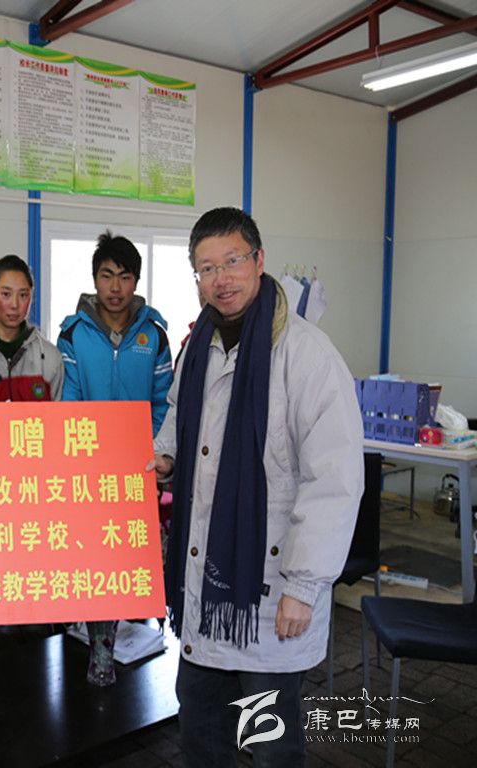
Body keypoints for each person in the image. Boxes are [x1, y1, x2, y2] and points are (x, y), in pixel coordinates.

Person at [148, 207, 363, 766]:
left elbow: (335, 480)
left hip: (270, 594)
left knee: (270, 747)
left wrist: (304, 586)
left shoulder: (307, 355)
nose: (221, 278)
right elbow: (179, 416)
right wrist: (166, 457)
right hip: (206, 587)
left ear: (259, 260)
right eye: (206, 268)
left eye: (233, 261)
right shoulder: (199, 346)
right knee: (202, 737)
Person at [57, 230, 173, 435]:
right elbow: (69, 403)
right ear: (95, 280)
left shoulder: (155, 336)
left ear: (136, 282)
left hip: (141, 450)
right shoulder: (72, 336)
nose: (115, 287)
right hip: (88, 446)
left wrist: (151, 445)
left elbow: (163, 404)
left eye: (125, 277)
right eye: (107, 276)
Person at [0, 254, 63, 401]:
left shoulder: (49, 357)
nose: (15, 304)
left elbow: (58, 414)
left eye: (23, 295)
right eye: (6, 294)